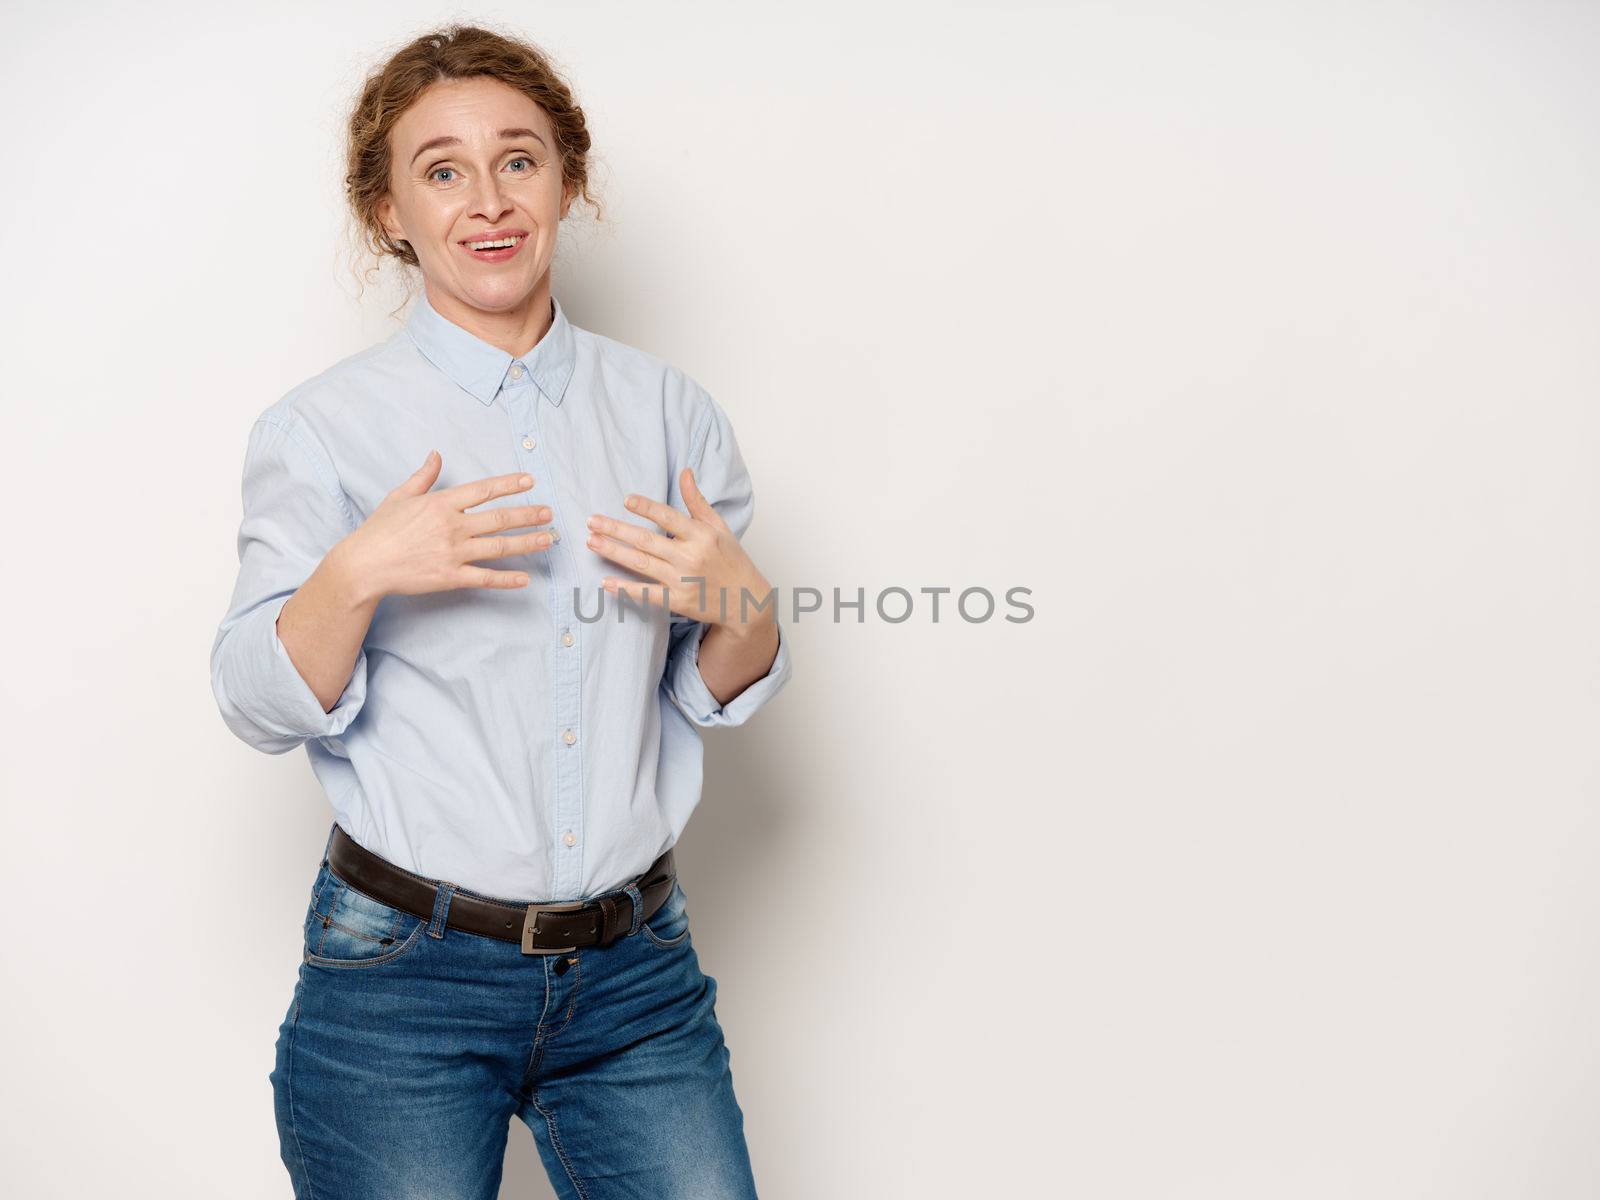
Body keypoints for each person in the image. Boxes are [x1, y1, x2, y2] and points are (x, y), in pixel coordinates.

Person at [208, 24, 791, 1200]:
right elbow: (253, 700)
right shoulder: (324, 431)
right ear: (390, 211)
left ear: (566, 180)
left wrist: (747, 610)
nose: (488, 201)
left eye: (518, 160)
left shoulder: (668, 413)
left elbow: (707, 682)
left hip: (637, 983)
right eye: (442, 170)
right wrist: (357, 572)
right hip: (401, 989)